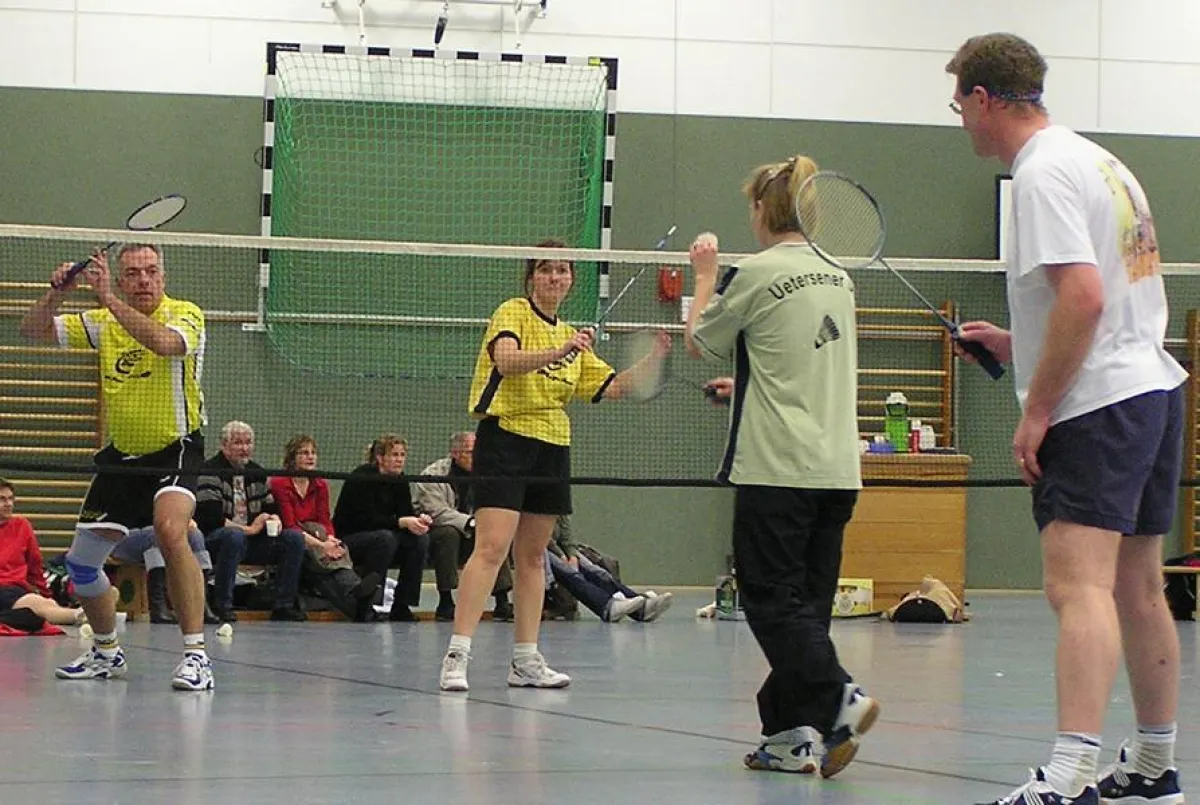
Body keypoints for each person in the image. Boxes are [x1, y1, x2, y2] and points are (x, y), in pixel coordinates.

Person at [946, 33, 1187, 805]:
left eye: (960, 105)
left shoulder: (1042, 173)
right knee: (1138, 587)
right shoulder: (1101, 162)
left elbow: (1083, 297)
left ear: (986, 99)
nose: (961, 122)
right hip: (1151, 389)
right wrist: (1019, 345)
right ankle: (1154, 767)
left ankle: (1071, 773)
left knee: (1076, 587)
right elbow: (1106, 303)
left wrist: (1037, 409)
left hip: (1096, 407)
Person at [682, 157, 879, 779]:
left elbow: (700, 337)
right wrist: (743, 386)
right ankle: (788, 735)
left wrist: (706, 275)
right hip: (838, 471)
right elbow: (796, 361)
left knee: (769, 602)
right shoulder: (839, 278)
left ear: (763, 211)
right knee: (807, 610)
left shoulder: (756, 272)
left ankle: (837, 697)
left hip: (777, 470)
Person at [438, 238, 670, 692]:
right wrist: (561, 351)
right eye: (546, 269)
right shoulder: (513, 313)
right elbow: (505, 361)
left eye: (563, 270)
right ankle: (457, 655)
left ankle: (525, 660)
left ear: (571, 280)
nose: (555, 277)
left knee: (531, 557)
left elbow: (613, 388)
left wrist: (653, 357)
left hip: (552, 446)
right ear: (531, 276)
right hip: (506, 438)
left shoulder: (574, 338)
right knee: (491, 549)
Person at [20, 243, 214, 691]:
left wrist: (107, 300)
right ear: (122, 280)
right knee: (82, 562)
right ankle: (107, 652)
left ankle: (196, 656)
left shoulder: (185, 313)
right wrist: (57, 294)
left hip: (176, 448)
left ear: (163, 277)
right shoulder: (102, 324)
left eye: (151, 271)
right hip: (122, 456)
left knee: (170, 531)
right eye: (133, 274)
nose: (144, 280)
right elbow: (32, 330)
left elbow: (168, 345)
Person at [196, 421, 307, 623]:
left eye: (248, 443)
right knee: (234, 536)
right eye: (238, 443)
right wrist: (250, 528)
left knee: (294, 539)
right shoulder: (209, 471)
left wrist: (274, 519)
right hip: (215, 539)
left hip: (251, 540)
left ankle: (284, 605)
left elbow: (270, 507)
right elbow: (210, 518)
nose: (244, 448)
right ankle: (222, 605)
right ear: (224, 445)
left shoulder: (257, 473)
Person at [269, 435, 381, 622]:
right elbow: (290, 523)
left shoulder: (321, 484)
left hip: (317, 532)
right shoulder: (280, 483)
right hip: (294, 535)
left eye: (313, 453)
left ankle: (358, 600)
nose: (310, 457)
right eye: (304, 453)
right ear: (292, 457)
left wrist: (330, 539)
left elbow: (325, 519)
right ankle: (357, 595)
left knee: (335, 552)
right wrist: (321, 546)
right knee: (317, 558)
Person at [411, 431, 513, 622]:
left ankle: (502, 601)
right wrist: (471, 522)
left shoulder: (489, 473)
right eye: (471, 452)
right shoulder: (432, 475)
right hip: (439, 535)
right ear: (455, 453)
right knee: (447, 534)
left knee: (492, 536)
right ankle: (446, 601)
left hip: (474, 534)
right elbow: (436, 512)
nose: (477, 457)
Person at [333, 434, 431, 622]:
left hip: (386, 538)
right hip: (350, 540)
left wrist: (419, 521)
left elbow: (405, 513)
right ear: (380, 457)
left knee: (419, 540)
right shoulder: (362, 477)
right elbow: (364, 520)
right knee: (385, 538)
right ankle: (366, 605)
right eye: (395, 455)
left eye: (402, 455)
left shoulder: (400, 480)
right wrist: (400, 522)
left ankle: (402, 605)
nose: (400, 459)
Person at [0, 478, 84, 627]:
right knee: (38, 606)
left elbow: (35, 565)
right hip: (5, 590)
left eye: (11, 499)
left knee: (41, 607)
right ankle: (81, 616)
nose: (9, 504)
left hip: (16, 589)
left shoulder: (22, 525)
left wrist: (46, 594)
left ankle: (89, 614)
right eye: (2, 499)